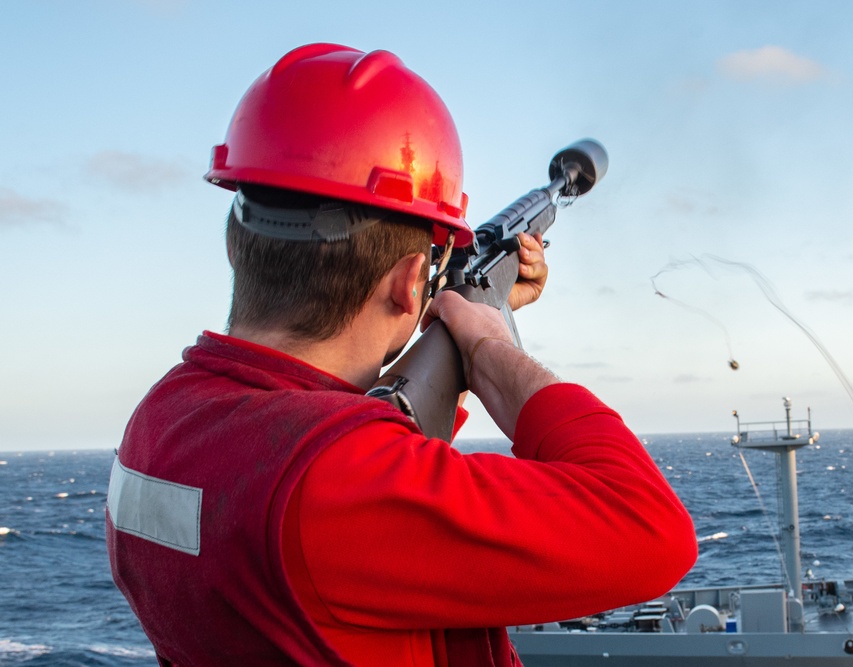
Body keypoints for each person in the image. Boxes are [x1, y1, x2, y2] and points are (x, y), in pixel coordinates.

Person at [106, 43, 697, 667]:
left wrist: (461, 337)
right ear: (412, 281)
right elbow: (651, 530)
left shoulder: (160, 421)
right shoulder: (337, 482)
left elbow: (367, 471)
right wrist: (491, 344)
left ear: (237, 246)